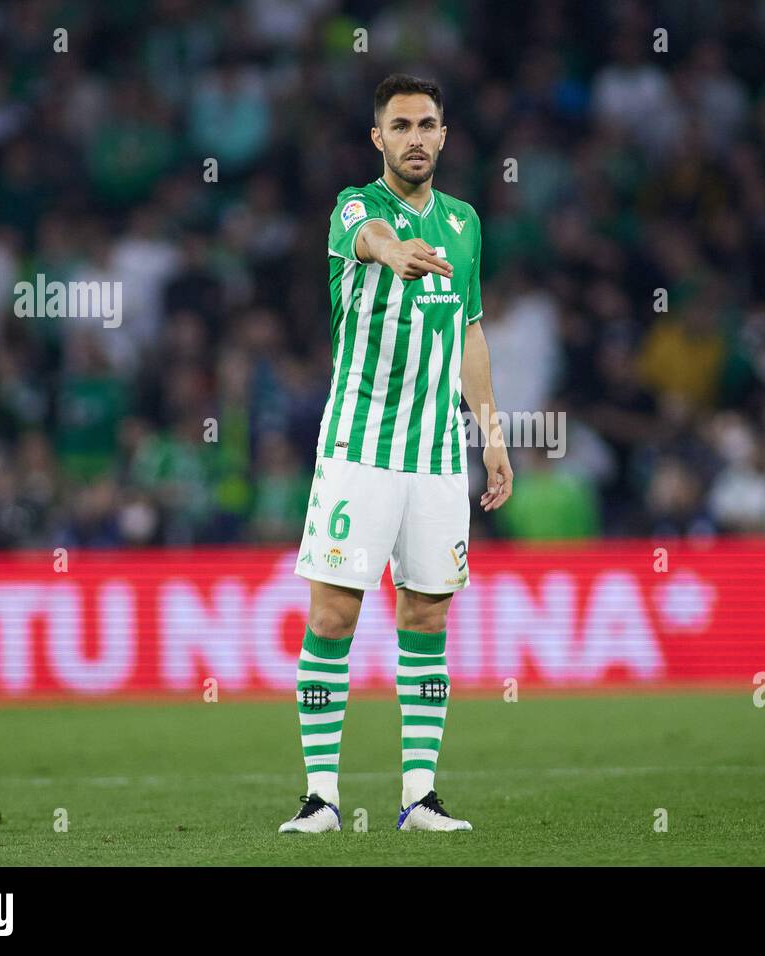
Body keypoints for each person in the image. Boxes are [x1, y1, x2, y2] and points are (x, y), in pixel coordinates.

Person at [280, 74, 513, 835]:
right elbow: (366, 238)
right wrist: (391, 252)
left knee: (426, 614)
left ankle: (419, 798)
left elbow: (470, 332)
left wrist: (490, 430)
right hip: (359, 447)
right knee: (335, 613)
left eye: (428, 124)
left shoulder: (467, 224)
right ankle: (321, 797)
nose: (416, 137)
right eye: (401, 125)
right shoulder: (358, 207)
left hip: (439, 455)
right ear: (377, 138)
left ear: (445, 136)